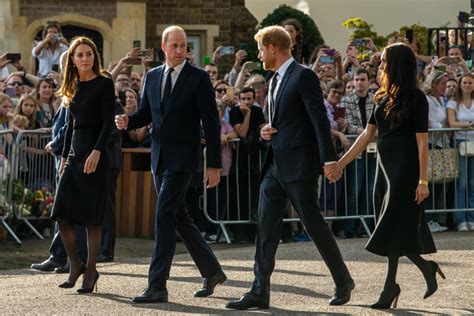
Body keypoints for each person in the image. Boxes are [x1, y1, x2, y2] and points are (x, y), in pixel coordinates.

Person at [225, 26, 354, 310]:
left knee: (314, 225)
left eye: (260, 49)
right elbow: (282, 120)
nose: (259, 54)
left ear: (272, 47)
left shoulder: (303, 75)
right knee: (266, 227)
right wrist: (266, 132)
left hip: (300, 166)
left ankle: (343, 281)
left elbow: (319, 120)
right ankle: (259, 290)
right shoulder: (273, 81)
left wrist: (329, 160)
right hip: (275, 165)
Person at [115, 25, 226, 303]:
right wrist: (129, 120)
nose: (180, 51)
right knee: (179, 217)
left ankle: (157, 285)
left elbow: (212, 124)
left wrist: (213, 165)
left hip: (184, 160)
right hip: (159, 159)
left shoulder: (198, 78)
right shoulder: (152, 76)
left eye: (184, 46)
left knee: (164, 215)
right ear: (164, 47)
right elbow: (145, 114)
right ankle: (212, 271)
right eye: (174, 46)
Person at [338, 43, 443, 309]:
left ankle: (390, 288)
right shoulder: (381, 97)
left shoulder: (417, 99)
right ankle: (423, 269)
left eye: (385, 61)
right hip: (384, 171)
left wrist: (422, 180)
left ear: (396, 64)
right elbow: (366, 135)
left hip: (406, 172)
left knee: (392, 228)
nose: (380, 66)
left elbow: (422, 143)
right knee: (390, 228)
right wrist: (340, 164)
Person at [50, 36, 115, 293]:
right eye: (80, 55)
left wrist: (98, 151)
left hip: (96, 155)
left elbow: (109, 123)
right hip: (75, 157)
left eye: (89, 54)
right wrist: (64, 157)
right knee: (62, 214)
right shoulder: (73, 86)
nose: (85, 58)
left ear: (94, 57)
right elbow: (70, 127)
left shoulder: (104, 83)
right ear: (73, 60)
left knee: (91, 218)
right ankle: (75, 264)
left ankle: (91, 270)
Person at [447, 74, 474, 231]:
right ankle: (460, 219)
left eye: (470, 82)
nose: (467, 85)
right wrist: (469, 124)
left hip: (473, 142)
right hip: (460, 143)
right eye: (464, 82)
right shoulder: (453, 103)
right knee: (462, 183)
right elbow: (452, 123)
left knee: (472, 183)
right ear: (460, 84)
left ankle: (471, 217)